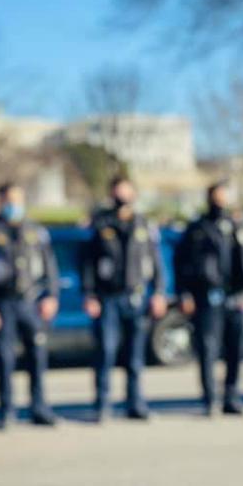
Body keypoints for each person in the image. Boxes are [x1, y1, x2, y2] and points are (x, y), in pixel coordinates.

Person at [0, 182, 60, 428]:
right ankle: (6, 410)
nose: (13, 205)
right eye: (8, 200)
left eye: (17, 200)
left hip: (30, 302)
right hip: (3, 304)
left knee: (37, 356)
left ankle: (39, 407)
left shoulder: (35, 231)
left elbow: (50, 267)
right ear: (0, 202)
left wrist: (51, 296)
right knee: (4, 359)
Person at [82, 176, 167, 422]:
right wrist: (89, 295)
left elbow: (156, 262)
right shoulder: (100, 225)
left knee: (135, 356)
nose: (123, 197)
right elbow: (87, 263)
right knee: (106, 352)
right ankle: (102, 404)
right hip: (108, 298)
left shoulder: (144, 225)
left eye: (126, 192)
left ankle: (135, 403)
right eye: (118, 192)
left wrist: (159, 292)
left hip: (137, 298)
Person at [174, 181, 243, 416]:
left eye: (225, 195)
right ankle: (210, 398)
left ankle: (232, 397)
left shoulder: (237, 227)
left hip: (236, 298)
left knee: (237, 350)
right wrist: (185, 293)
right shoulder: (197, 229)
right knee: (208, 349)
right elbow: (181, 264)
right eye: (217, 195)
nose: (221, 200)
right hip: (207, 296)